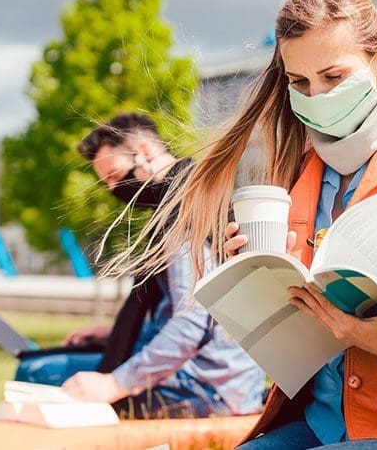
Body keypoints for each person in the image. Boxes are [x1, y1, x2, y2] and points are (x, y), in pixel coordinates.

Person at [112, 0, 377, 448]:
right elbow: (298, 317)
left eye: (334, 77)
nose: (316, 96)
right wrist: (250, 281)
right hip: (317, 422)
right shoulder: (296, 175)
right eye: (299, 82)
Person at [19, 112, 265, 420]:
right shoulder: (195, 195)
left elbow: (191, 326)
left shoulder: (182, 217)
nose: (112, 189)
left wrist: (115, 383)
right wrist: (112, 336)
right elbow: (190, 316)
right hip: (224, 381)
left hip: (206, 389)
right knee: (56, 366)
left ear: (145, 151)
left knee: (37, 373)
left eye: (114, 175)